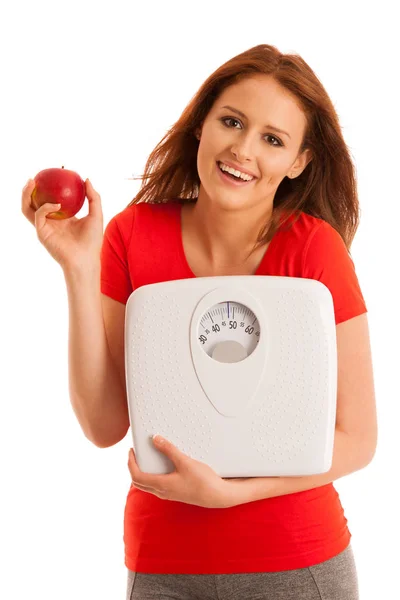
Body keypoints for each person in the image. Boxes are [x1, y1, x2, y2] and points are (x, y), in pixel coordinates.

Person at [21, 44, 377, 600]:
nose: (242, 148)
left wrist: (232, 495)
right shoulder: (132, 235)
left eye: (273, 139)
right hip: (163, 567)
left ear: (299, 162)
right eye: (231, 121)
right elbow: (103, 424)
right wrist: (78, 268)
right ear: (201, 126)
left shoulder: (315, 252)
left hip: (298, 565)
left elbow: (358, 439)